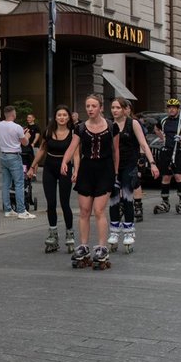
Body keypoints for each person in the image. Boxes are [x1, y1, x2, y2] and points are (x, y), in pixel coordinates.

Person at [63, 93, 119, 270]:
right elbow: (72, 147)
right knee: (84, 210)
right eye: (88, 106)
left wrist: (115, 172)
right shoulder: (80, 128)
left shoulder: (111, 126)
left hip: (105, 170)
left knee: (99, 210)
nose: (90, 109)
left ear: (100, 107)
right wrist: (65, 162)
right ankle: (84, 246)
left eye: (93, 106)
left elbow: (116, 151)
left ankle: (102, 248)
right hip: (86, 170)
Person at [108, 98, 158, 254]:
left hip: (129, 165)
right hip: (113, 165)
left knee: (127, 197)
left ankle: (129, 232)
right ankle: (114, 231)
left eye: (117, 107)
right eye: (112, 107)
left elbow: (143, 143)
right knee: (114, 198)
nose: (114, 110)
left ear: (124, 109)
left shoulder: (133, 124)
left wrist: (152, 162)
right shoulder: (109, 125)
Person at [28, 105, 75, 254]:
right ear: (55, 117)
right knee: (51, 203)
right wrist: (32, 166)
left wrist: (77, 171)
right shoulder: (48, 131)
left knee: (64, 203)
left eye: (64, 115)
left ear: (69, 118)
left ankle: (69, 233)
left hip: (65, 169)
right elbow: (42, 149)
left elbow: (76, 154)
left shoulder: (73, 134)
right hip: (49, 168)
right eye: (59, 115)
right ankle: (53, 234)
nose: (62, 117)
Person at [153, 98, 181, 215]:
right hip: (166, 151)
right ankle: (165, 202)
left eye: (173, 108)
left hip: (179, 151)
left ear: (178, 109)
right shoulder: (164, 121)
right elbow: (156, 129)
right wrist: (163, 138)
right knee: (166, 177)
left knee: (178, 176)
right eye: (169, 107)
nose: (171, 109)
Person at [0, 106, 32, 219]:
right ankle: (21, 211)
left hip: (3, 156)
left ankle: (8, 210)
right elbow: (25, 143)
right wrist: (26, 135)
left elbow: (9, 133)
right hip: (14, 156)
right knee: (19, 184)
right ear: (13, 114)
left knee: (5, 184)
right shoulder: (17, 127)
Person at [22, 113, 41, 182]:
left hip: (34, 146)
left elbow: (37, 136)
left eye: (30, 118)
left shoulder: (36, 127)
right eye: (27, 117)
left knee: (35, 160)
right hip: (26, 147)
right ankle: (27, 174)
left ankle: (34, 175)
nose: (28, 119)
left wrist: (33, 143)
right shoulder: (26, 127)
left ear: (33, 118)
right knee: (27, 160)